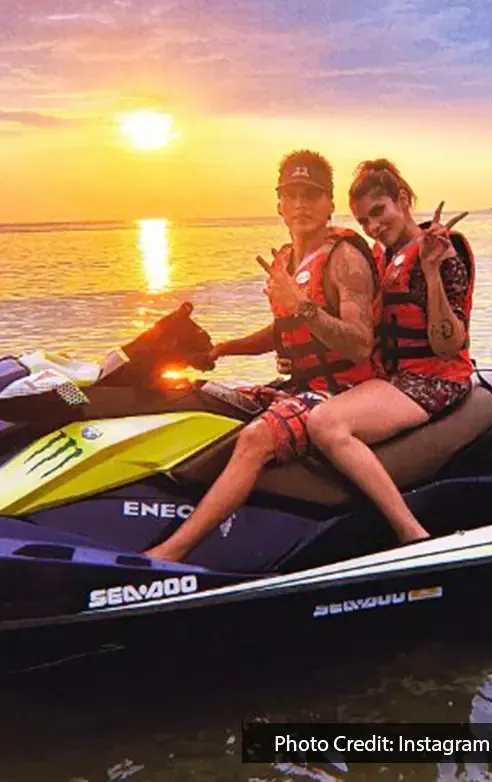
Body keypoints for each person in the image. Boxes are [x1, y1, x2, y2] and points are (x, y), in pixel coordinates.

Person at [146, 150, 381, 561]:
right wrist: (224, 348)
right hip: (297, 387)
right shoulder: (287, 260)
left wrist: (302, 304)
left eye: (312, 195)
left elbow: (359, 343)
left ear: (329, 203)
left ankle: (169, 553)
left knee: (256, 438)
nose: (301, 205)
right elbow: (285, 332)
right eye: (291, 195)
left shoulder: (345, 258)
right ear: (278, 204)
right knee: (199, 399)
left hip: (340, 393)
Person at [305, 158, 474, 544]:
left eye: (379, 212)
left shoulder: (443, 253)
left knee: (326, 424)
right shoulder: (381, 257)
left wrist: (431, 273)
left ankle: (411, 532)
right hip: (392, 377)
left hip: (435, 378)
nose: (373, 227)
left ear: (402, 200)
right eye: (364, 222)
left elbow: (450, 343)